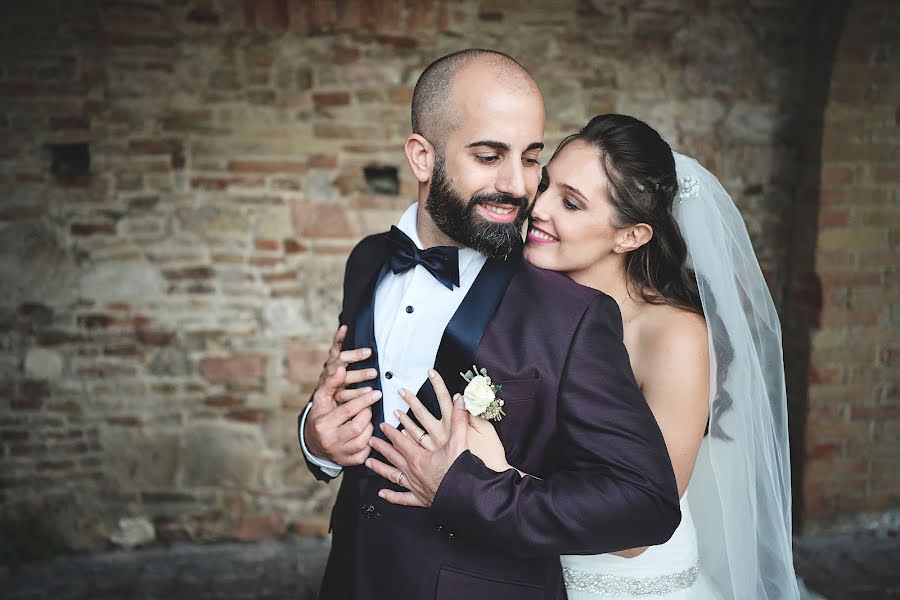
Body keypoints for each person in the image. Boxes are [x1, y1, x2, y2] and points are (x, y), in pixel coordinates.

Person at [299, 51, 681, 599]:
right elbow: (350, 408)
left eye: (530, 158)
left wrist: (468, 491)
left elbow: (645, 503)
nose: (519, 185)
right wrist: (316, 438)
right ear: (422, 157)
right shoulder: (367, 261)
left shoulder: (570, 314)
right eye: (488, 155)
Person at [380, 114, 809, 599]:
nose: (537, 208)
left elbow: (638, 524)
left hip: (621, 582)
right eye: (544, 186)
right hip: (518, 564)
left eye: (571, 203)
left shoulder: (674, 338)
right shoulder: (520, 294)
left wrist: (485, 479)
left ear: (630, 236)